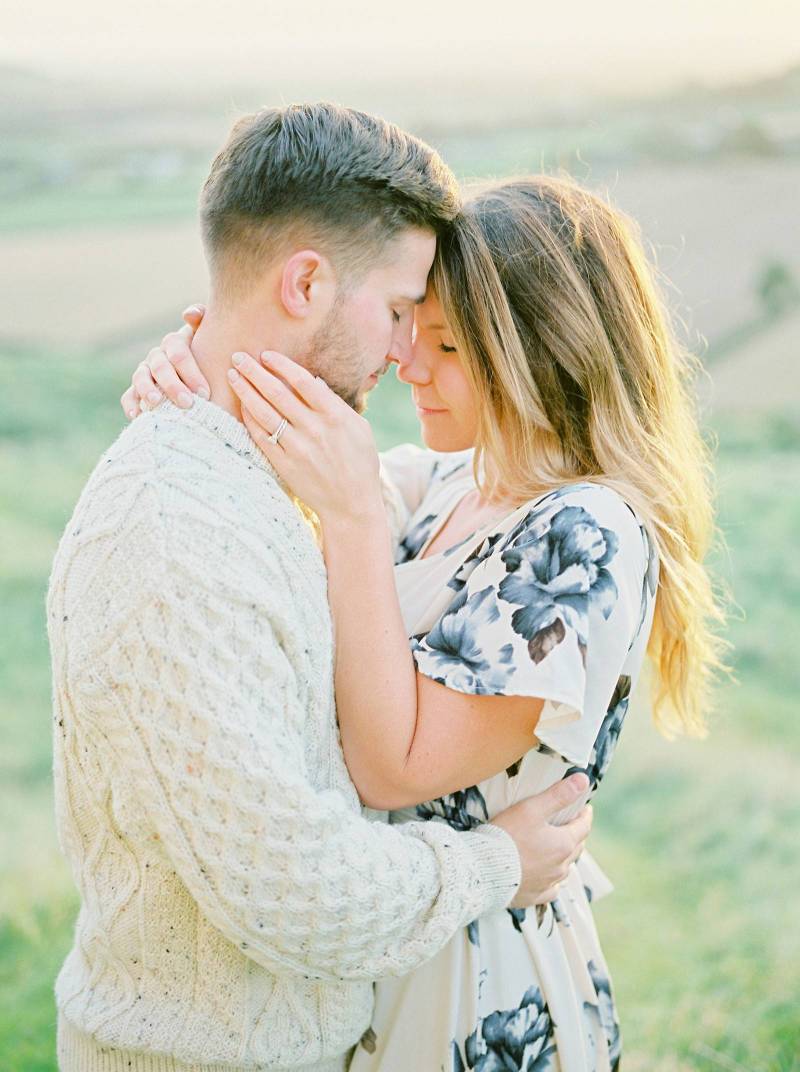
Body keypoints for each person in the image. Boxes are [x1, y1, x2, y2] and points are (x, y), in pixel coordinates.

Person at [127, 175, 725, 1071]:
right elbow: (287, 428)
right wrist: (187, 359)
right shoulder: (451, 480)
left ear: (542, 357)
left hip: (473, 982)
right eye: (413, 328)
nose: (410, 363)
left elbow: (395, 765)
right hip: (383, 936)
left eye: (447, 344)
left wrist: (357, 523)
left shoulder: (587, 530)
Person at [48, 104, 594, 1072]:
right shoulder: (173, 532)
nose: (402, 352)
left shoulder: (260, 467)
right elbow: (297, 890)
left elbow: (401, 496)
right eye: (394, 311)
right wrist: (499, 862)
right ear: (304, 281)